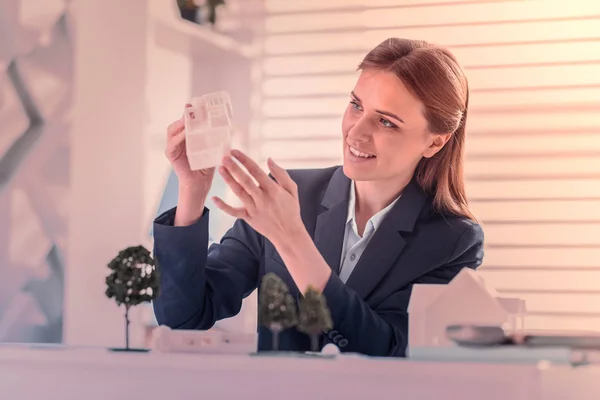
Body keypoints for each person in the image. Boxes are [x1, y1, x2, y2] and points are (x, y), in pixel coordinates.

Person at [152, 37, 485, 357]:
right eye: (356, 105)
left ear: (435, 142)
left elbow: (389, 349)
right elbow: (183, 318)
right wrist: (192, 191)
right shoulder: (284, 194)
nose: (356, 131)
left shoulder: (453, 242)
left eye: (386, 122)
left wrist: (293, 241)